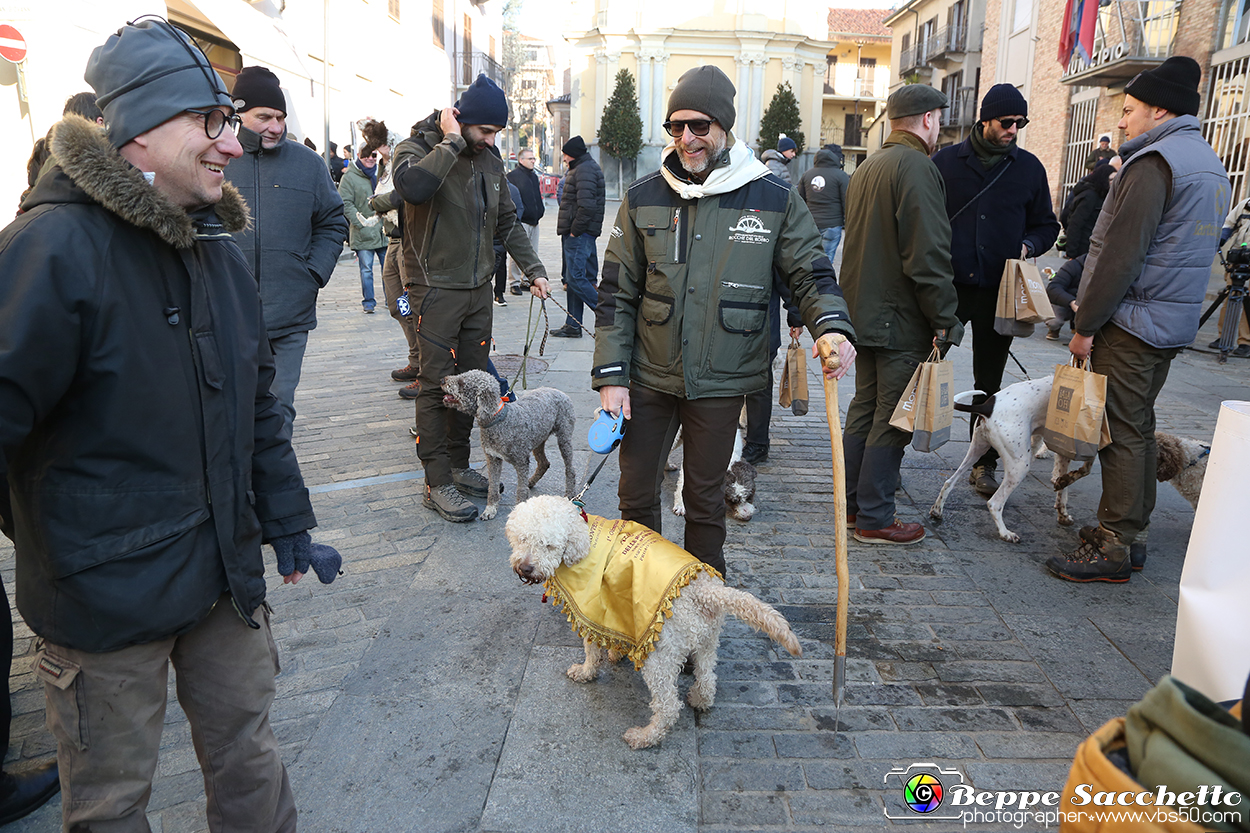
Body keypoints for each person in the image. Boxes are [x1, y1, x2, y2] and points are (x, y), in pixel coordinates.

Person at [0, 18, 341, 828]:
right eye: (210, 121)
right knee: (113, 802)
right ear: (139, 135)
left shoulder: (219, 253)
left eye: (230, 120)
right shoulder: (49, 250)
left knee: (250, 759)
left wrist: (284, 518)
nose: (230, 143)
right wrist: (66, 538)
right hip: (104, 604)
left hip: (221, 576)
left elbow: (260, 406)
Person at [593, 65, 857, 575]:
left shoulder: (772, 198)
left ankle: (700, 607)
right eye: (676, 126)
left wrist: (831, 326)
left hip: (722, 379)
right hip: (647, 375)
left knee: (705, 499)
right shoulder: (644, 195)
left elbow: (810, 272)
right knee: (636, 494)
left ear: (724, 126)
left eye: (698, 126)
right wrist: (610, 378)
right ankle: (643, 598)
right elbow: (616, 292)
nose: (686, 138)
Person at [1047, 56, 1229, 582]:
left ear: (1160, 109)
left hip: (1132, 323)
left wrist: (1085, 327)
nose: (1122, 122)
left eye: (1129, 110)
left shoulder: (1155, 163)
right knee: (1139, 425)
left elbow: (1119, 257)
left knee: (1120, 432)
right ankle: (1136, 533)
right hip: (1168, 321)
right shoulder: (1207, 161)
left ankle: (1114, 544)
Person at [392, 73, 551, 522]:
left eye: (497, 132)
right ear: (458, 119)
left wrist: (534, 269)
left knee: (473, 382)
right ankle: (436, 480)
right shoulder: (418, 149)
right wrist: (449, 143)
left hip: (478, 291)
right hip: (434, 289)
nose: (490, 139)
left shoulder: (490, 160)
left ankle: (460, 465)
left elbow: (507, 223)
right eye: (484, 131)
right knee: (437, 385)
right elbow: (414, 190)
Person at [841, 84, 964, 545]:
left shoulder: (870, 165)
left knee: (866, 407)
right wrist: (944, 316)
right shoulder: (916, 166)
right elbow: (927, 252)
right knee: (892, 414)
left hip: (864, 311)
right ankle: (874, 517)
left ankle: (855, 508)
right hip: (898, 316)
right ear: (929, 119)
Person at [932, 83, 1060, 498]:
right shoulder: (945, 163)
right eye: (1007, 122)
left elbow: (1048, 225)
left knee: (990, 380)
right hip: (949, 288)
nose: (1013, 130)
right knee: (926, 366)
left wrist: (1028, 245)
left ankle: (982, 463)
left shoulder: (1029, 168)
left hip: (999, 293)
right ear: (984, 119)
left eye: (1020, 123)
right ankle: (894, 453)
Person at [225, 65, 348, 442]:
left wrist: (311, 276)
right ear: (237, 112)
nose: (276, 126)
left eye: (280, 117)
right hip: (227, 317)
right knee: (231, 412)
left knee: (279, 411)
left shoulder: (309, 165)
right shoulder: (215, 161)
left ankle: (273, 495)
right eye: (264, 117)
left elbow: (333, 221)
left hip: (289, 317)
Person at [551, 135, 605, 337]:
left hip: (579, 234)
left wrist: (575, 230)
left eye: (565, 154)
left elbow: (587, 206)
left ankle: (607, 316)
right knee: (574, 279)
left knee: (576, 278)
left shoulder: (585, 170)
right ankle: (573, 325)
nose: (564, 158)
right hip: (577, 233)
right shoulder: (582, 167)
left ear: (572, 154)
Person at [340, 143, 388, 313]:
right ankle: (369, 302)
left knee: (389, 270)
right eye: (366, 155)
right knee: (366, 270)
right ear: (359, 155)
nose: (370, 158)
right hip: (363, 232)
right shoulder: (350, 177)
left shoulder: (382, 173)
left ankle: (390, 300)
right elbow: (345, 202)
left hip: (383, 231)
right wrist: (362, 222)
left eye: (373, 155)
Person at [797, 143, 850, 263]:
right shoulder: (841, 176)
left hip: (811, 225)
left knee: (810, 259)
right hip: (832, 224)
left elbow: (800, 200)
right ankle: (822, 281)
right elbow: (847, 202)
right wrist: (848, 224)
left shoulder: (807, 175)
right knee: (827, 259)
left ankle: (810, 281)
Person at [1212, 195, 1250, 357]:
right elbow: (1229, 223)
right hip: (1239, 258)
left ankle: (1245, 342)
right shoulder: (1245, 204)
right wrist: (1221, 238)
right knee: (1230, 298)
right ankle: (1224, 337)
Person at [507, 147, 546, 295]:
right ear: (521, 160)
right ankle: (514, 282)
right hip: (521, 220)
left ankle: (526, 279)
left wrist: (540, 211)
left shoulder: (534, 176)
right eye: (530, 158)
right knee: (517, 253)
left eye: (533, 158)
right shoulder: (513, 176)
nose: (533, 161)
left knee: (533, 252)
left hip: (535, 220)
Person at [1059, 164, 1115, 260]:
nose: (1114, 183)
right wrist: (1072, 253)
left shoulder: (1103, 196)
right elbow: (1075, 224)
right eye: (1111, 180)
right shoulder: (1090, 196)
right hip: (1082, 249)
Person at [1045, 253, 1085, 341]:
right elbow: (1053, 288)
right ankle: (1054, 329)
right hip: (1066, 302)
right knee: (1054, 322)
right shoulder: (1073, 266)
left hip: (1088, 304)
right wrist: (1071, 302)